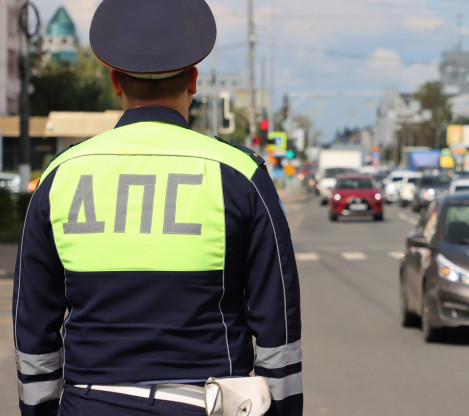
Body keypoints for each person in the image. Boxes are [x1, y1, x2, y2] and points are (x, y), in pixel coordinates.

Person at [12, 0, 302, 415]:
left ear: (115, 81)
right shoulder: (240, 175)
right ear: (194, 80)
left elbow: (34, 326)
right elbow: (279, 327)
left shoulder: (62, 175)